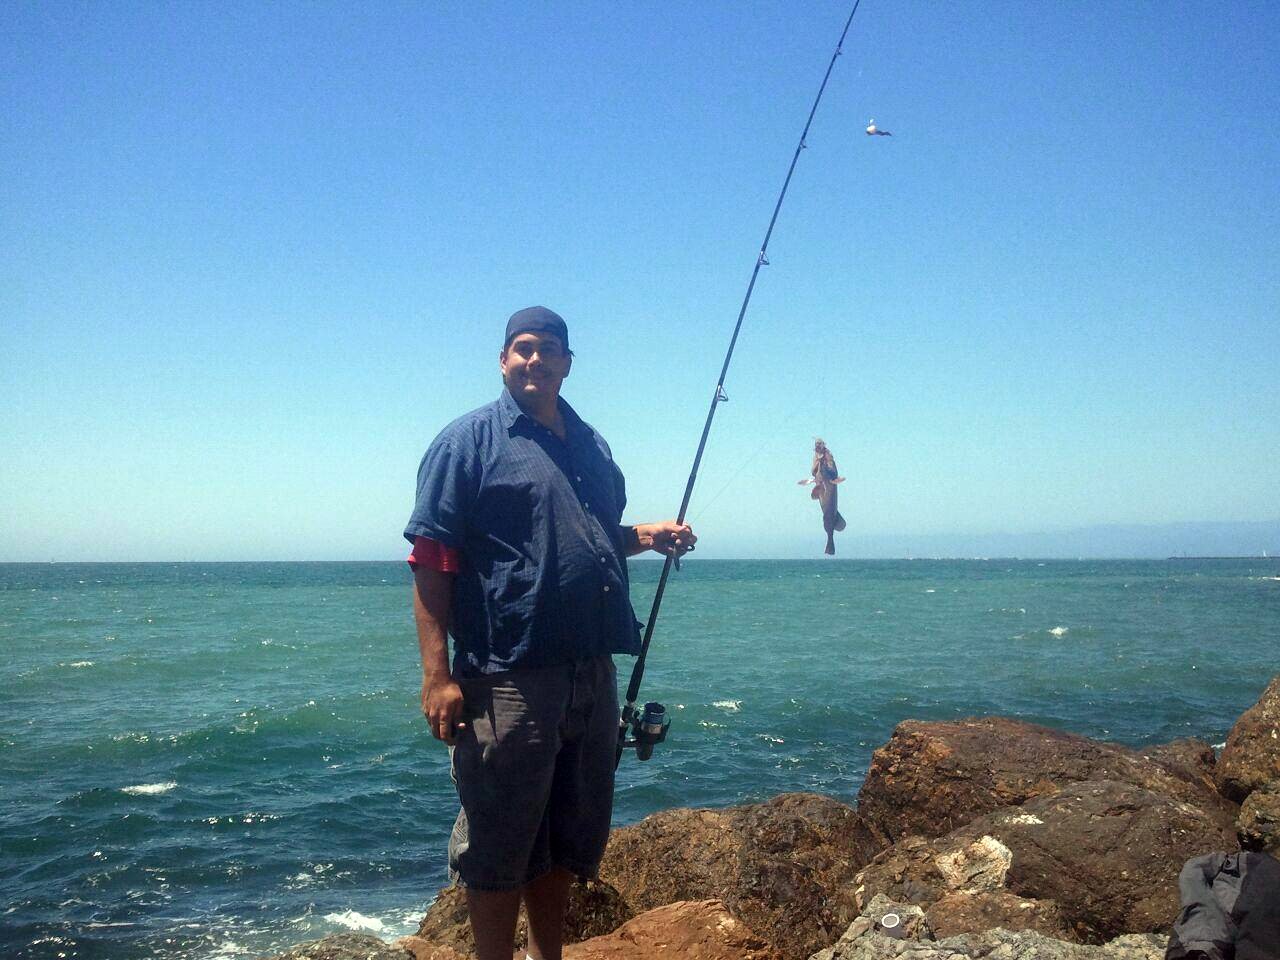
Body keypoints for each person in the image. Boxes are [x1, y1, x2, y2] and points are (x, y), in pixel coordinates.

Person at [404, 306, 695, 960]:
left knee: (567, 834)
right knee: (500, 840)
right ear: (503, 361)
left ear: (567, 363)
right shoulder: (467, 443)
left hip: (592, 672)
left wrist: (646, 536)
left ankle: (548, 955)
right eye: (522, 348)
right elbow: (431, 557)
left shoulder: (592, 445)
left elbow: (590, 537)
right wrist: (437, 676)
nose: (535, 359)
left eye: (548, 349)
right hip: (508, 677)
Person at [799, 438, 846, 555]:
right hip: (822, 487)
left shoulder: (828, 456)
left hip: (827, 486)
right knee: (828, 515)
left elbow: (832, 472)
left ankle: (830, 542)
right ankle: (830, 542)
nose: (817, 446)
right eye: (816, 444)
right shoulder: (816, 457)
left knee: (829, 514)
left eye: (819, 444)